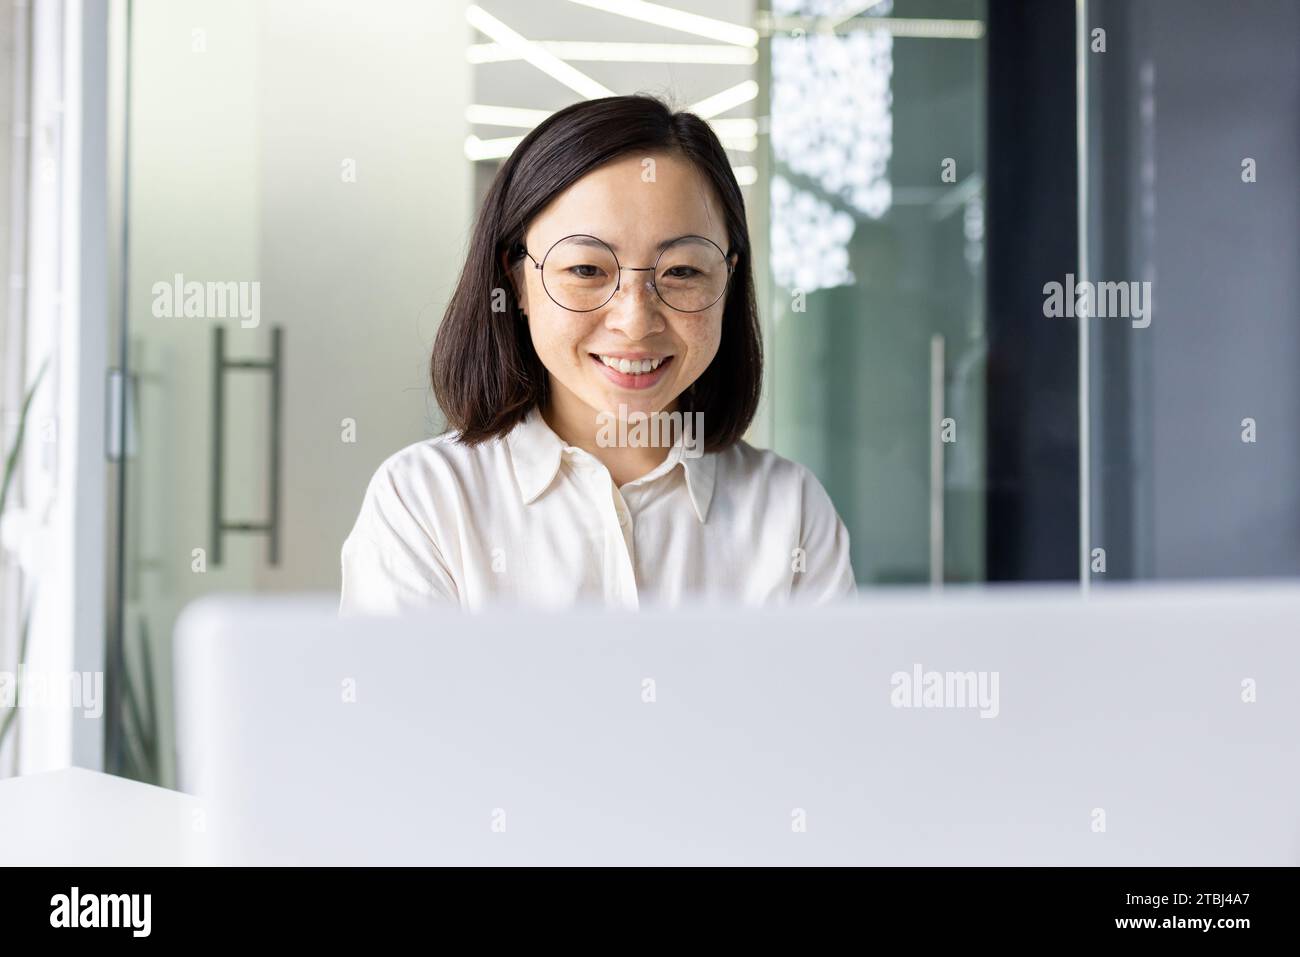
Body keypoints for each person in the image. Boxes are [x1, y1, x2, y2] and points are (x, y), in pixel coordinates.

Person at [340, 94, 854, 613]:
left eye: (681, 271)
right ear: (516, 280)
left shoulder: (790, 511)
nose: (634, 321)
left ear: (729, 278)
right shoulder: (425, 502)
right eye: (587, 270)